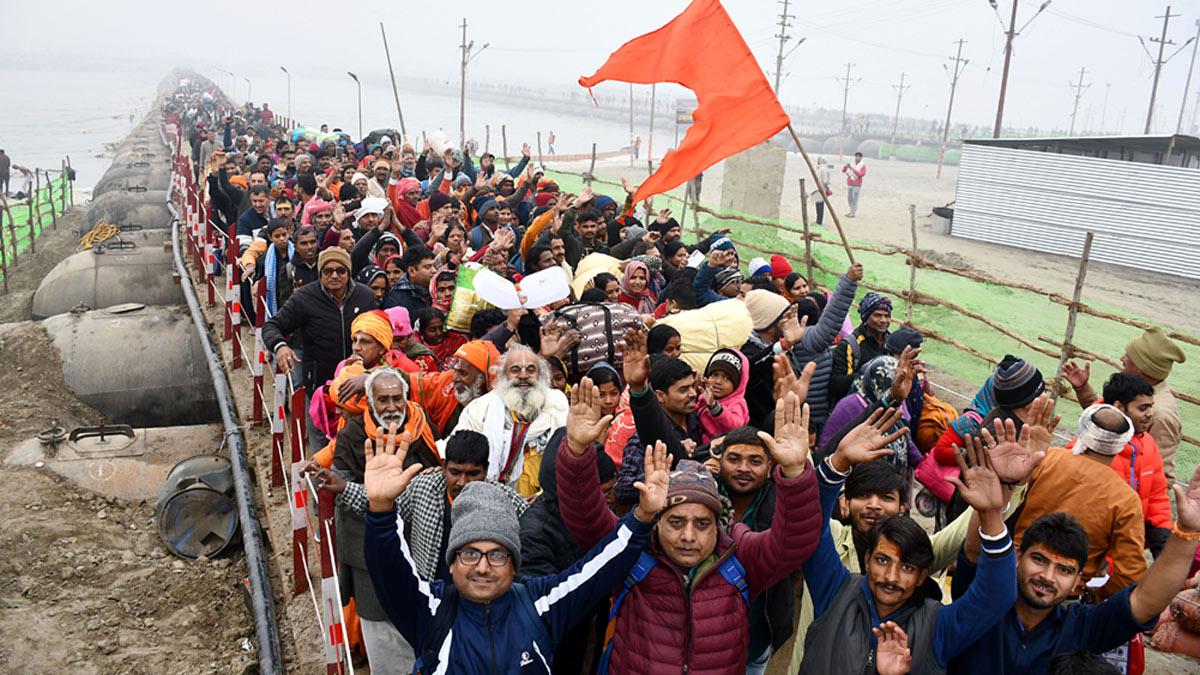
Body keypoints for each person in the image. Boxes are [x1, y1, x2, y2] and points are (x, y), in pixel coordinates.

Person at [361, 396, 669, 673]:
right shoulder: (430, 612)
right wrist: (380, 506)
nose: (482, 567)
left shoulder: (541, 605)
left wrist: (642, 517)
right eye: (469, 553)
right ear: (451, 564)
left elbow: (599, 569)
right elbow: (389, 570)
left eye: (496, 554)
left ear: (514, 564)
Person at [557, 378, 825, 674]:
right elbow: (585, 517)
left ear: (719, 525)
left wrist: (795, 471)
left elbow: (793, 541)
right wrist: (578, 452)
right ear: (657, 523)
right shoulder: (634, 552)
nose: (688, 536)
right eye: (675, 521)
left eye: (702, 524)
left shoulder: (738, 555)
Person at [799, 412, 1019, 673]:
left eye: (906, 567)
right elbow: (811, 526)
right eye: (882, 560)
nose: (891, 577)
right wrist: (838, 462)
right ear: (867, 560)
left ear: (922, 575)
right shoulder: (835, 591)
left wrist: (992, 513)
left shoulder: (937, 626)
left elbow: (996, 596)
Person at [952, 458, 1200, 673]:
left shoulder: (1082, 628)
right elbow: (974, 551)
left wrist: (1187, 533)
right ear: (1017, 558)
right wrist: (1002, 489)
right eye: (1039, 560)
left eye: (1064, 570)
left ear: (1079, 579)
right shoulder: (981, 604)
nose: (1047, 577)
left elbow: (1146, 601)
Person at [329, 368, 441, 673]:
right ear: (369, 402)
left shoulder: (422, 426)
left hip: (422, 544)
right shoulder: (352, 435)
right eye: (383, 400)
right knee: (383, 636)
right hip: (372, 549)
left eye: (397, 398)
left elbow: (439, 467)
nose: (391, 407)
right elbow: (341, 484)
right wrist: (377, 496)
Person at [1014, 404, 1148, 600]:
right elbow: (1131, 572)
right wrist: (1097, 595)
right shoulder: (1125, 499)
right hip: (1063, 595)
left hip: (1013, 572)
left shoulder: (1047, 458)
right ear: (1121, 445)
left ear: (1083, 431)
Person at [519, 431, 619, 673]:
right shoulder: (535, 532)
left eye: (610, 491)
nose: (607, 501)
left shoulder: (594, 521)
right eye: (602, 492)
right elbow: (543, 608)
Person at [1064, 326, 1187, 483]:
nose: (1122, 358)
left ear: (1140, 369)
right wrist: (1083, 388)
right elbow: (1108, 420)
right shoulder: (1136, 390)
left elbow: (1161, 477)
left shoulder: (1160, 414)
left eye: (1129, 356)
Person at [448, 345, 569, 497]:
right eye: (515, 370)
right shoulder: (479, 409)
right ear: (503, 376)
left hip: (546, 501)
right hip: (490, 500)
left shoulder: (558, 404)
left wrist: (543, 496)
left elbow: (568, 459)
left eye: (531, 370)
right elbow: (458, 455)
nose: (523, 376)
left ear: (541, 376)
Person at [262, 246, 376, 395]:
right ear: (320, 273)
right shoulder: (304, 297)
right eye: (328, 271)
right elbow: (272, 326)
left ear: (349, 272)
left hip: (357, 380)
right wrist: (280, 346)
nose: (334, 276)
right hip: (319, 384)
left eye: (341, 270)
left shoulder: (365, 296)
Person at [1101, 371, 1171, 557]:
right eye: (1142, 408)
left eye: (1151, 407)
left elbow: (1157, 497)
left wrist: (1162, 546)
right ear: (1119, 407)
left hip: (1129, 550)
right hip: (1095, 552)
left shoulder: (1148, 444)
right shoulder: (1090, 446)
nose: (1150, 414)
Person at [830, 291, 893, 402]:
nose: (883, 320)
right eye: (877, 315)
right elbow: (837, 384)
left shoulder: (891, 341)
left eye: (887, 316)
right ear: (866, 317)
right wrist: (870, 374)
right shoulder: (850, 345)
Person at [382, 246, 434, 315]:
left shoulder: (436, 291)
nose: (434, 271)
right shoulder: (395, 301)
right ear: (412, 271)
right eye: (428, 267)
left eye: (434, 266)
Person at [843, 151, 867, 217]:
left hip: (857, 185)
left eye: (859, 157)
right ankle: (851, 210)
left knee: (855, 198)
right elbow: (844, 171)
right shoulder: (852, 163)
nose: (857, 158)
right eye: (856, 156)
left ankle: (853, 212)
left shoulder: (863, 166)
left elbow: (861, 174)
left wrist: (852, 169)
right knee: (849, 198)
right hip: (850, 183)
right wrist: (846, 166)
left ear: (861, 158)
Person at [810, 157, 832, 225]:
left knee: (819, 206)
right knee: (820, 205)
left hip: (818, 189)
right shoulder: (824, 168)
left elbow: (823, 180)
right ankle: (818, 221)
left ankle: (819, 221)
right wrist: (827, 188)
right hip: (821, 189)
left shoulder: (820, 168)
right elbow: (825, 181)